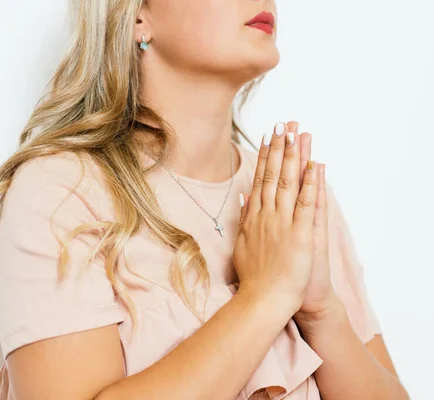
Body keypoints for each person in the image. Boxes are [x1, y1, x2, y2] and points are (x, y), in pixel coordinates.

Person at [0, 1, 409, 399]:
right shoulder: (61, 190)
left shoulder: (292, 193)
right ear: (138, 14)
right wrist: (267, 295)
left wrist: (321, 314)